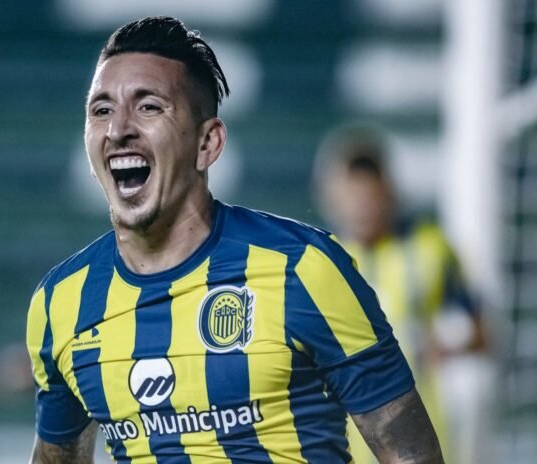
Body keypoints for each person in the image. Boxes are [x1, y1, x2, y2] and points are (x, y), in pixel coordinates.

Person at [25, 17, 444, 463]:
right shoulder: (61, 302)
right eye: (101, 110)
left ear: (207, 143)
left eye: (148, 107)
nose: (118, 129)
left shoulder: (303, 269)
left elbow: (412, 456)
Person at [315, 123, 486, 464]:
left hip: (422, 440)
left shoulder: (430, 249)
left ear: (388, 191)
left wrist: (446, 347)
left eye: (369, 195)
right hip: (344, 446)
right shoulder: (320, 261)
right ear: (333, 197)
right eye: (353, 196)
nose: (362, 207)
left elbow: (482, 333)